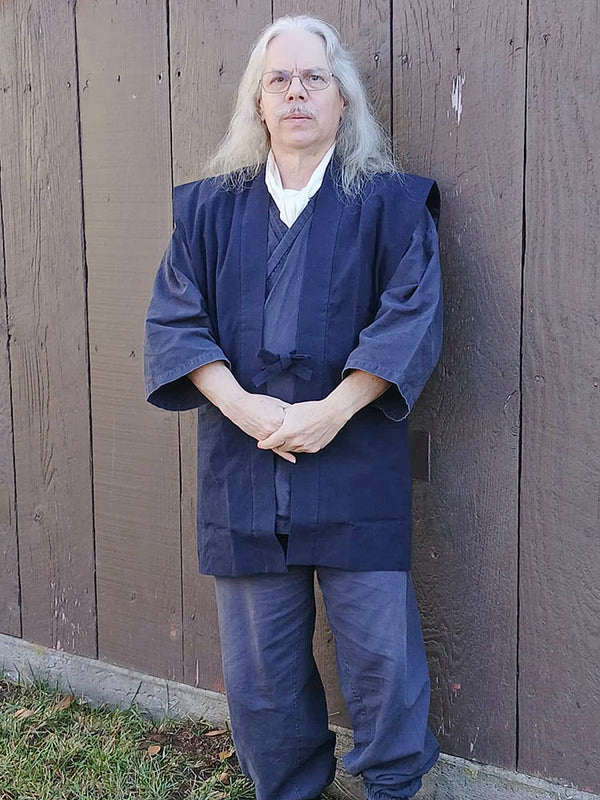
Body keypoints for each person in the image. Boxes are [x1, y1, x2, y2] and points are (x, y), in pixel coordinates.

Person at [144, 14, 443, 800]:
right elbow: (176, 323)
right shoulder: (207, 213)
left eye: (315, 78)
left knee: (382, 657)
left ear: (343, 100)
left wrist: (329, 412)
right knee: (261, 674)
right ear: (258, 101)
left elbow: (410, 319)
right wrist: (245, 408)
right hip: (245, 466)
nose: (297, 93)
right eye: (279, 79)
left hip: (356, 460)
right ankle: (286, 789)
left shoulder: (392, 207)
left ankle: (393, 788)